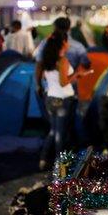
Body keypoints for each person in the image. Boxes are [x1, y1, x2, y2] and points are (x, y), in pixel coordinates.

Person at [37, 30, 88, 170]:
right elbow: (64, 83)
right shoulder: (63, 61)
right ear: (61, 44)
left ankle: (43, 159)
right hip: (62, 100)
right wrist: (77, 74)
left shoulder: (47, 61)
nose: (68, 44)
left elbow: (44, 78)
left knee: (53, 131)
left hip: (50, 98)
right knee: (60, 134)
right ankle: (61, 167)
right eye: (66, 42)